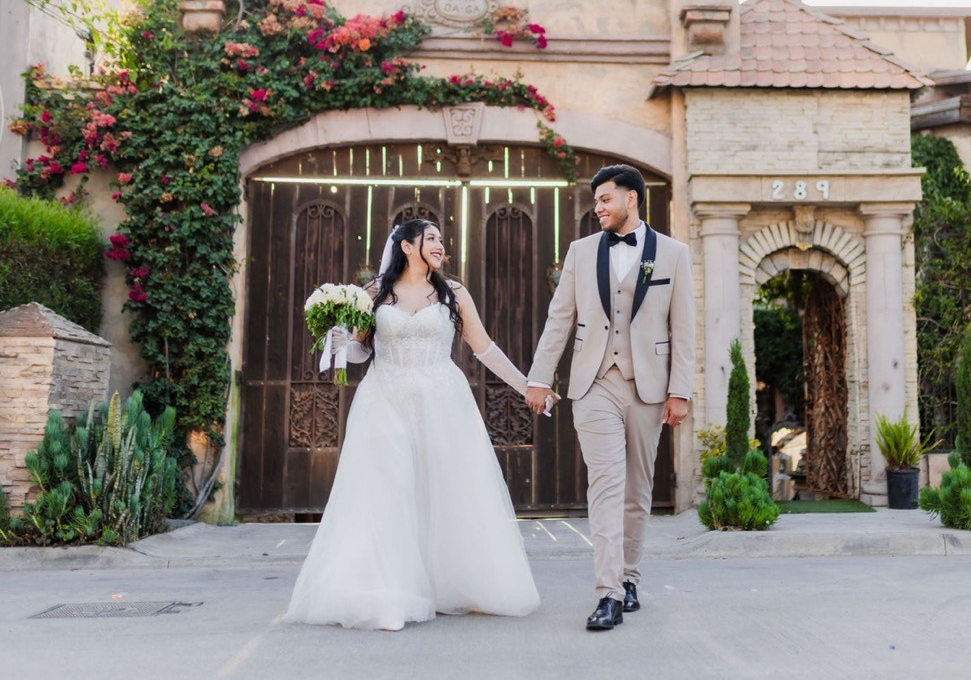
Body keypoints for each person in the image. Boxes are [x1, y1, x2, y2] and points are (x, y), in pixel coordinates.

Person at [284, 219, 540, 631]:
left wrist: (528, 386)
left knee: (444, 489)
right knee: (388, 489)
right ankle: (388, 591)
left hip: (442, 400)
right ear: (406, 246)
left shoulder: (454, 293)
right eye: (432, 238)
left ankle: (445, 583)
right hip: (383, 399)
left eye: (441, 239)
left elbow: (485, 348)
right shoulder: (373, 294)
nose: (440, 245)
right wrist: (339, 344)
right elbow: (359, 353)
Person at [525, 164, 695, 631]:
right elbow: (559, 319)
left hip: (649, 386)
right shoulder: (580, 252)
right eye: (596, 200)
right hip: (593, 383)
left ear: (631, 200)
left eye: (605, 199)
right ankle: (608, 592)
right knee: (605, 487)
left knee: (637, 492)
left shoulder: (674, 254)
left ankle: (630, 576)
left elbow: (683, 328)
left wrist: (680, 391)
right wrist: (540, 378)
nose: (597, 207)